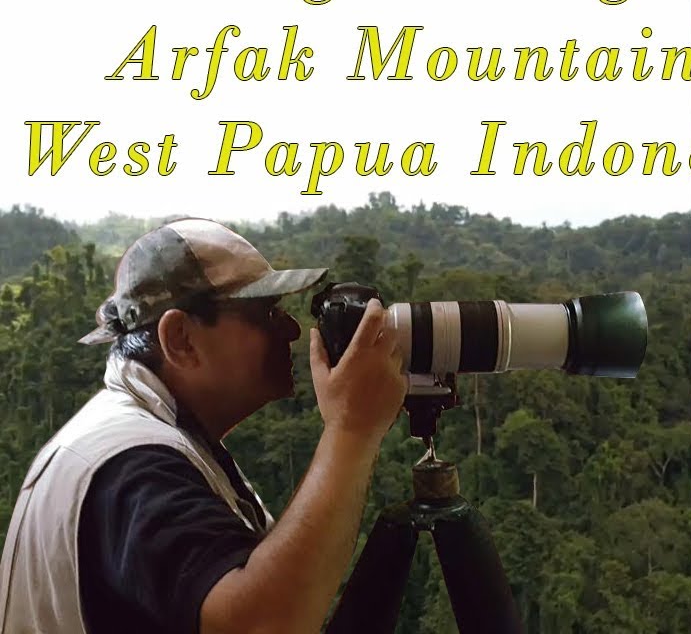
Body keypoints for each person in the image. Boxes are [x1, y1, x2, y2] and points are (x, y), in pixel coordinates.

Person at [0, 217, 408, 634]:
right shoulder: (130, 466)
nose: (289, 329)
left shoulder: (146, 439)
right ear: (181, 339)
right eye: (266, 312)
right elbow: (261, 625)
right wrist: (350, 431)